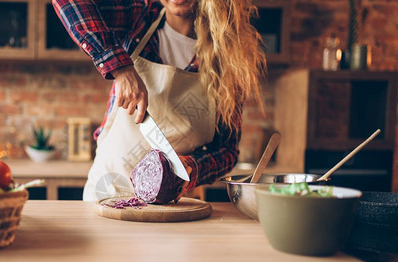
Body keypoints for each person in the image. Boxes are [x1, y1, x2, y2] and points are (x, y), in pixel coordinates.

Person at [52, 0, 266, 202]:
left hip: (175, 208)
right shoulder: (139, 18)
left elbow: (226, 151)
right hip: (106, 192)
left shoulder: (228, 62)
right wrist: (120, 68)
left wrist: (191, 167)